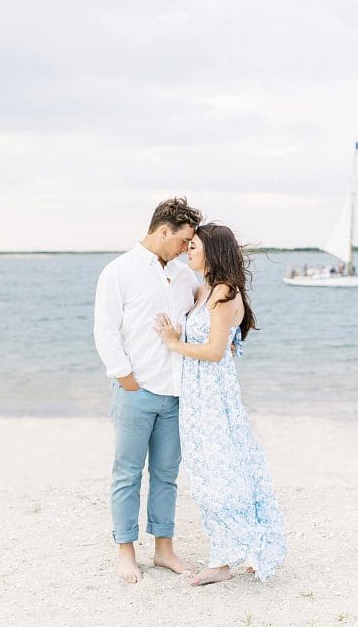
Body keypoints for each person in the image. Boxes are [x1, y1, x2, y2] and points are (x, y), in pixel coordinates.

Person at [154, 223, 286, 586]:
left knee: (219, 475)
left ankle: (224, 559)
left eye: (194, 246)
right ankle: (238, 547)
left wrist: (172, 342)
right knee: (209, 474)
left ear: (213, 251)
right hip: (197, 397)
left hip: (213, 398)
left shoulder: (224, 293)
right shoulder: (205, 291)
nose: (188, 251)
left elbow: (214, 352)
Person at [93, 196, 203, 584]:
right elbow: (105, 331)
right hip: (136, 391)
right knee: (127, 474)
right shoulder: (118, 272)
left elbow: (202, 313)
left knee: (167, 474)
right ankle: (125, 551)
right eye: (183, 240)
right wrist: (126, 378)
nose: (186, 249)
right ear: (163, 231)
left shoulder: (184, 275)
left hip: (176, 393)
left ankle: (163, 550)